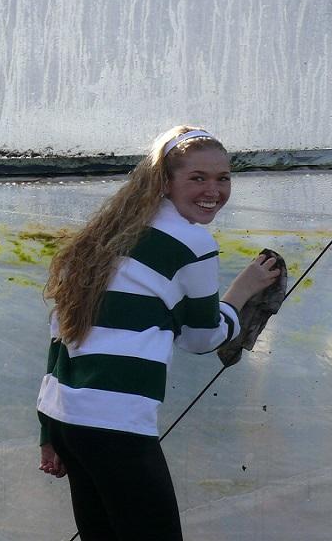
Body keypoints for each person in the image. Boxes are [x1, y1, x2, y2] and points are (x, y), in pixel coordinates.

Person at [37, 126, 281, 540]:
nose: (214, 190)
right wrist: (242, 291)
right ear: (165, 181)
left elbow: (61, 333)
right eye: (197, 178)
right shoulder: (191, 242)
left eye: (223, 178)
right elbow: (201, 339)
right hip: (116, 422)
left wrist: (48, 432)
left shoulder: (105, 237)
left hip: (67, 417)